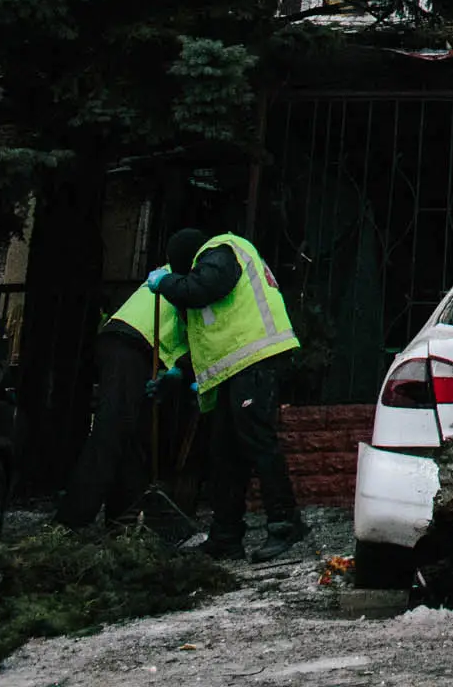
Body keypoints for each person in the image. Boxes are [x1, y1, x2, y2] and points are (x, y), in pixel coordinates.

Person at [145, 225, 305, 558]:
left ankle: (285, 523)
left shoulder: (221, 251)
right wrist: (179, 372)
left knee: (257, 442)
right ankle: (225, 537)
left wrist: (166, 282)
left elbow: (203, 287)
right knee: (224, 454)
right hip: (239, 367)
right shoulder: (213, 264)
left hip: (257, 360)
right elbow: (213, 334)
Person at [55, 258, 193, 528]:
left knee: (130, 436)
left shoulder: (181, 267)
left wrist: (177, 370)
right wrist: (183, 370)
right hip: (132, 343)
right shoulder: (196, 275)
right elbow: (198, 331)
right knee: (112, 429)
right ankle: (69, 523)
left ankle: (123, 519)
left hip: (130, 344)